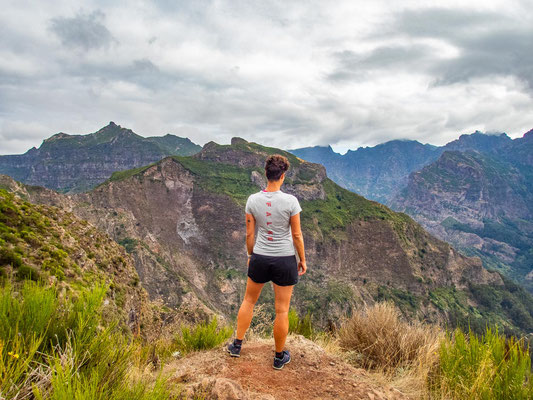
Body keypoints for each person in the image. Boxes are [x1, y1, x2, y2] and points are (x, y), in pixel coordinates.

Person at [227, 154, 307, 370]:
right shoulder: (291, 202)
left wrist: (251, 256)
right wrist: (302, 259)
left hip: (260, 257)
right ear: (282, 176)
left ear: (266, 174)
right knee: (281, 310)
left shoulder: (253, 200)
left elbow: (249, 235)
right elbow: (297, 235)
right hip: (284, 260)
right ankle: (279, 356)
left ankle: (236, 345)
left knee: (249, 301)